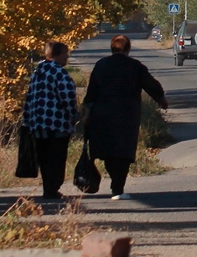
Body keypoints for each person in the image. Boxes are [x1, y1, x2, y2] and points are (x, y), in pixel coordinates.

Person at [83, 34, 168, 199]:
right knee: (123, 151)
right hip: (126, 115)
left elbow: (92, 91)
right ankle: (117, 187)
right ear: (128, 49)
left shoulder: (101, 65)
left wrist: (87, 111)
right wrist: (161, 99)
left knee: (108, 150)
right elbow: (150, 84)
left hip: (103, 115)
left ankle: (116, 184)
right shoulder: (135, 66)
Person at [22, 41, 79, 199]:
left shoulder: (37, 72)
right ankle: (53, 187)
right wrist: (73, 115)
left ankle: (48, 188)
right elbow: (67, 97)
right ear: (57, 55)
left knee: (44, 157)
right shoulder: (59, 73)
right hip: (57, 123)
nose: (67, 56)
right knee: (57, 157)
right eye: (65, 53)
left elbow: (29, 98)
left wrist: (27, 119)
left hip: (37, 123)